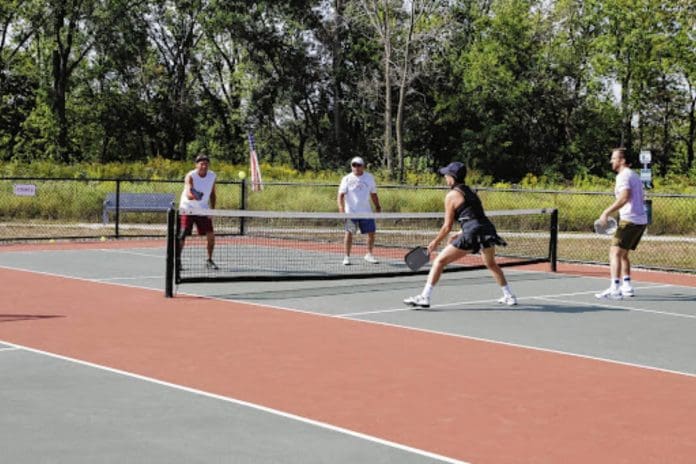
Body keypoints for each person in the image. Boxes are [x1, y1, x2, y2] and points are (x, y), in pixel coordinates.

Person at [403, 161, 517, 309]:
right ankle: (509, 296)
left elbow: (447, 226)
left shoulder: (451, 195)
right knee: (491, 263)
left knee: (439, 261)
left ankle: (424, 297)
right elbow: (476, 216)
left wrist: (435, 242)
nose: (445, 178)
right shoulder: (470, 191)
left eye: (446, 175)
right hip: (487, 230)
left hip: (474, 231)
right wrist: (460, 232)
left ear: (452, 177)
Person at [595, 148, 648, 299]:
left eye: (614, 158)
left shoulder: (623, 176)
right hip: (640, 220)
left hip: (630, 220)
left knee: (614, 253)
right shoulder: (634, 175)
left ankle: (615, 288)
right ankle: (627, 286)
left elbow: (624, 197)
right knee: (623, 254)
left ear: (622, 161)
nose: (611, 161)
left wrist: (606, 212)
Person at [337, 156, 382, 265]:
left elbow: (373, 194)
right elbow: (340, 196)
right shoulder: (346, 179)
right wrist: (341, 210)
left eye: (358, 165)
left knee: (371, 233)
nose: (356, 167)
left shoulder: (369, 178)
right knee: (349, 233)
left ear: (363, 166)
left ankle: (369, 254)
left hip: (366, 212)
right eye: (354, 165)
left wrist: (378, 206)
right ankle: (346, 257)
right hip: (351, 212)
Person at [178, 152, 218, 270]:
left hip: (203, 209)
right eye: (201, 164)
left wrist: (212, 210)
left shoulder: (212, 176)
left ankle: (209, 261)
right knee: (183, 233)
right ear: (196, 165)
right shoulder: (190, 176)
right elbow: (188, 194)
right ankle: (178, 261)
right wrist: (195, 196)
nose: (204, 166)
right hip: (187, 208)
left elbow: (213, 194)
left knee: (211, 235)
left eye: (206, 164)